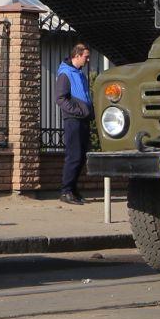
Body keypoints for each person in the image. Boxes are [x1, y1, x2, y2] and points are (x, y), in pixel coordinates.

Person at [55, 42, 93, 206]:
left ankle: (73, 190)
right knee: (74, 156)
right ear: (77, 56)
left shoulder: (79, 74)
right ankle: (66, 191)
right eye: (86, 56)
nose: (88, 59)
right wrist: (77, 111)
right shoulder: (65, 74)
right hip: (73, 120)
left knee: (81, 156)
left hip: (82, 119)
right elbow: (60, 98)